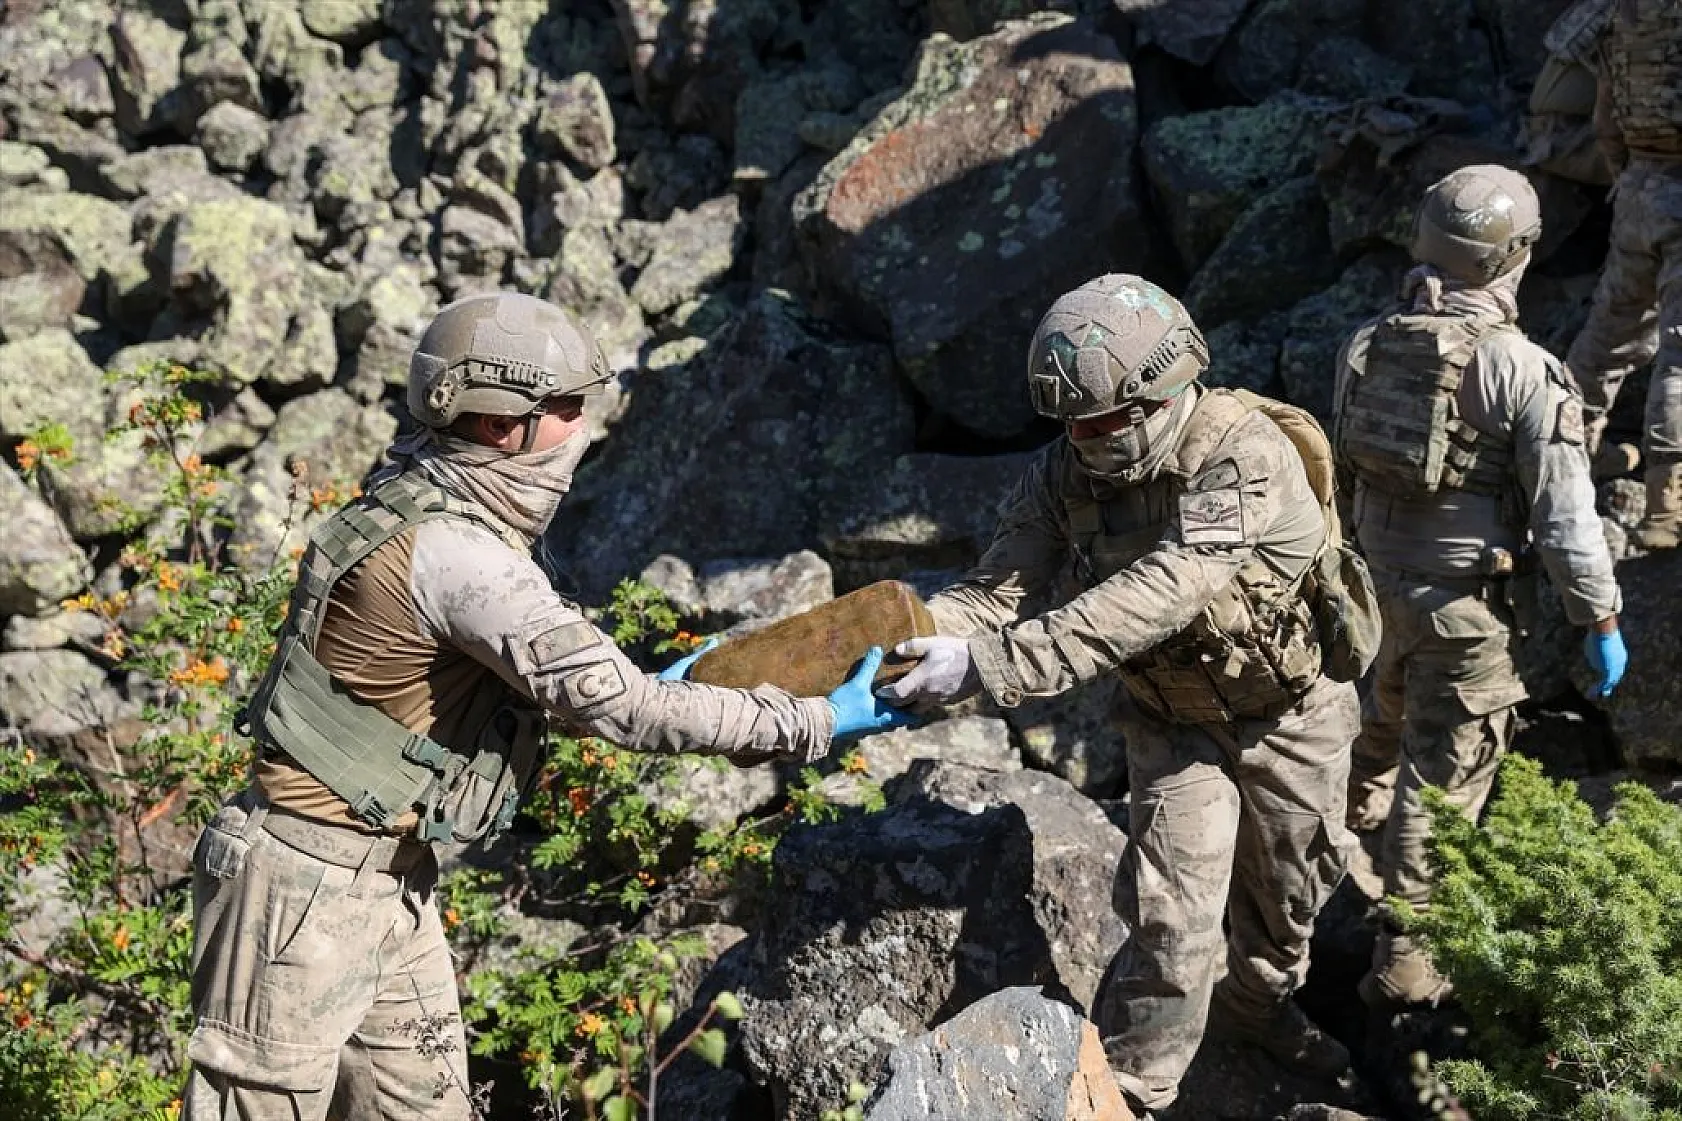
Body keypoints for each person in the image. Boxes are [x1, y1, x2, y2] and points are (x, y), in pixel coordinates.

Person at [183, 292, 907, 1120]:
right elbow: (626, 710)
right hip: (300, 891)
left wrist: (662, 689)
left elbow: (510, 681)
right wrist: (813, 720)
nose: (582, 429)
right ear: (500, 423)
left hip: (387, 882)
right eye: (565, 408)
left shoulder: (414, 498)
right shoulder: (459, 553)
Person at [881, 274, 1360, 1118]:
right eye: (1069, 423)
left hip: (1291, 712)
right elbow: (996, 590)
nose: (1083, 439)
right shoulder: (1062, 475)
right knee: (1171, 923)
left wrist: (991, 666)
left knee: (1292, 898)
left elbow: (1165, 590)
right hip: (1174, 724)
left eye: (1101, 422)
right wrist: (910, 643)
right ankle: (1128, 1092)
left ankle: (1257, 1010)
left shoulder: (1242, 452)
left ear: (1162, 392)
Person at [1334, 166, 1627, 1007]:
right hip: (1464, 615)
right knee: (1442, 782)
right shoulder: (1523, 370)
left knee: (1373, 729)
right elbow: (1565, 520)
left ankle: (1325, 857)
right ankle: (1406, 965)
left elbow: (1344, 472)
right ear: (1515, 256)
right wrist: (1601, 617)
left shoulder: (1365, 344)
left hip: (1372, 592)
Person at [1564, 0, 1682, 548]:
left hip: (1640, 185)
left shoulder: (1631, 10)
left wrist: (1630, 178)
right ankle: (1667, 504)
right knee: (1679, 354)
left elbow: (1605, 117)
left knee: (1609, 335)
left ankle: (1567, 455)